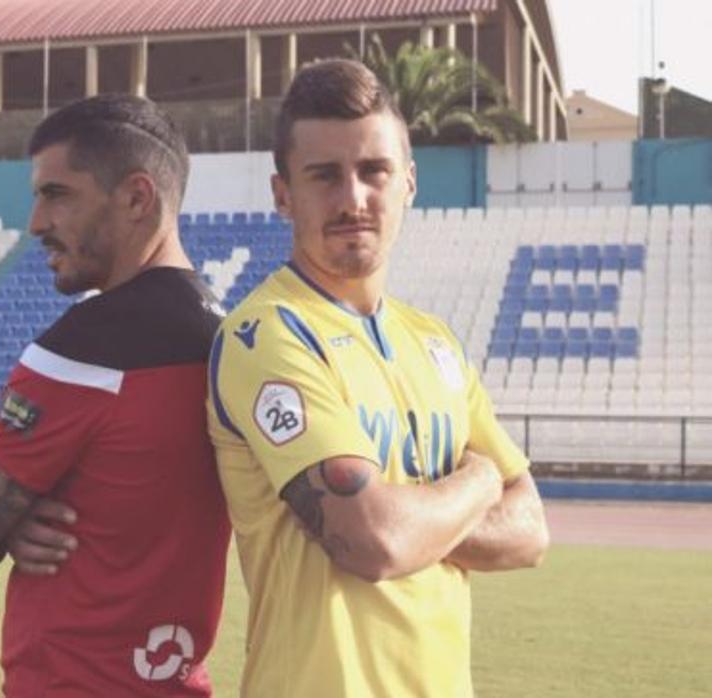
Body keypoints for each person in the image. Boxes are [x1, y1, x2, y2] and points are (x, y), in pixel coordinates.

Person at [207, 59, 550, 697]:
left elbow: (530, 531)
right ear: (283, 193)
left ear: (409, 183)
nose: (353, 199)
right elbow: (373, 542)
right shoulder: (269, 335)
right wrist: (477, 478)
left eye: (374, 171)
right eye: (324, 176)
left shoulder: (434, 341)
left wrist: (407, 515)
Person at [0, 94, 231, 697]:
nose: (36, 221)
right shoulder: (227, 340)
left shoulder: (85, 350)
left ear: (137, 197)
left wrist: (3, 522)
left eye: (57, 194)